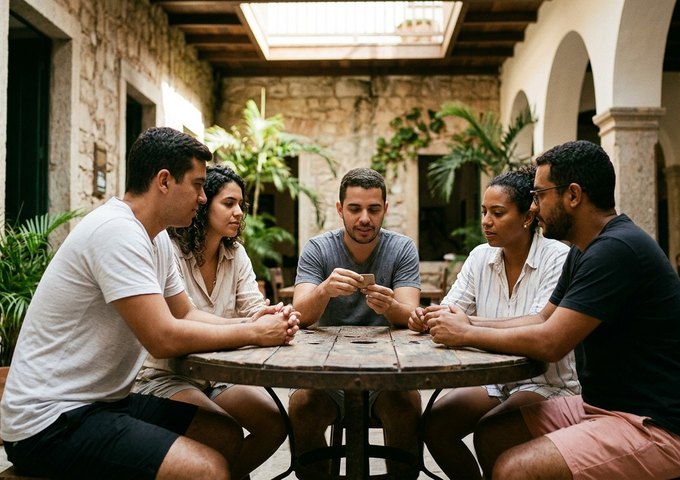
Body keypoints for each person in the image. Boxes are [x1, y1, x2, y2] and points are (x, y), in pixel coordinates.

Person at [0, 127, 299, 479]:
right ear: (164, 181)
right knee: (208, 470)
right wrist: (255, 334)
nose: (203, 198)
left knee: (224, 434)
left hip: (106, 404)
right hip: (51, 420)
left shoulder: (155, 239)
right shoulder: (117, 232)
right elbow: (163, 337)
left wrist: (253, 323)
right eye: (198, 184)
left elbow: (186, 313)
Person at [425, 140, 680, 479]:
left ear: (573, 195)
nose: (535, 207)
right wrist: (468, 320)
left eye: (540, 195)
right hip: (603, 408)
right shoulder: (585, 249)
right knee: (493, 435)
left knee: (514, 470)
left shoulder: (616, 250)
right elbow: (540, 318)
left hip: (661, 427)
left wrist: (468, 334)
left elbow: (551, 343)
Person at [408, 166, 579, 480]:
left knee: (491, 431)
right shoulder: (480, 257)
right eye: (484, 211)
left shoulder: (557, 257)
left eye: (498, 213)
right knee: (435, 424)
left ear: (528, 217)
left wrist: (466, 325)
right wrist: (428, 316)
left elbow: (538, 324)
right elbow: (450, 310)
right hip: (496, 381)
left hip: (547, 382)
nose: (486, 221)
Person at [132, 164, 287, 478]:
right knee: (223, 433)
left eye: (240, 205)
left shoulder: (236, 253)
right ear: (203, 206)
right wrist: (252, 328)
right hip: (165, 373)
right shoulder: (170, 251)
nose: (239, 212)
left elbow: (252, 310)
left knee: (274, 424)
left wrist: (273, 317)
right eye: (228, 203)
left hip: (215, 374)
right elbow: (180, 320)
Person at [288, 167, 422, 479]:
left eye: (374, 209)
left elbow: (411, 316)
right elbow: (301, 314)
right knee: (302, 409)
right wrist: (324, 289)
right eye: (355, 209)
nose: (365, 218)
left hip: (390, 375)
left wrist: (389, 307)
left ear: (385, 210)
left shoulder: (401, 248)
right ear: (340, 209)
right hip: (326, 376)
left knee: (408, 408)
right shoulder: (318, 248)